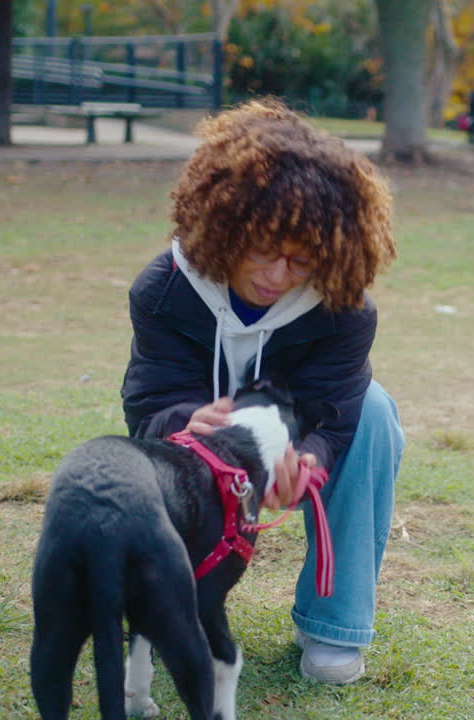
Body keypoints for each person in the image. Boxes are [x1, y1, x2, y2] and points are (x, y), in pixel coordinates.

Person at [120, 99, 404, 685]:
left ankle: (334, 624)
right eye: (263, 249)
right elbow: (149, 404)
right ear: (227, 226)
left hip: (290, 434)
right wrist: (183, 423)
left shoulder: (345, 311)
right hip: (202, 449)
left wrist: (308, 464)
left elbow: (336, 414)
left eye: (300, 261)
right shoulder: (164, 290)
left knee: (376, 412)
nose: (276, 276)